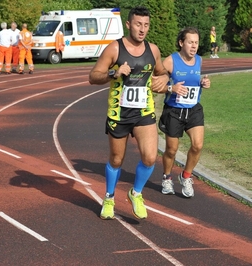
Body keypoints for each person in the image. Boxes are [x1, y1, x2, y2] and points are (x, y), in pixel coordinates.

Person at [88, 6, 169, 220]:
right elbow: (93, 76)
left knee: (150, 157)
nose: (142, 29)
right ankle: (109, 197)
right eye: (138, 24)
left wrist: (165, 80)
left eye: (146, 25)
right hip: (119, 113)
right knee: (116, 160)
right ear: (128, 24)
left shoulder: (153, 50)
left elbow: (162, 72)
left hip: (143, 111)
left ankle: (136, 193)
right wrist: (114, 73)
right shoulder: (114, 49)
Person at [159, 27, 211, 198]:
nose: (194, 46)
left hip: (193, 109)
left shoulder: (199, 60)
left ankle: (186, 176)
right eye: (190, 42)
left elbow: (195, 81)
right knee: (172, 150)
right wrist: (170, 88)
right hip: (174, 111)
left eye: (196, 42)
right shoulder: (171, 61)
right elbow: (154, 82)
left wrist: (203, 83)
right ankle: (167, 177)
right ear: (182, 43)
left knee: (198, 145)